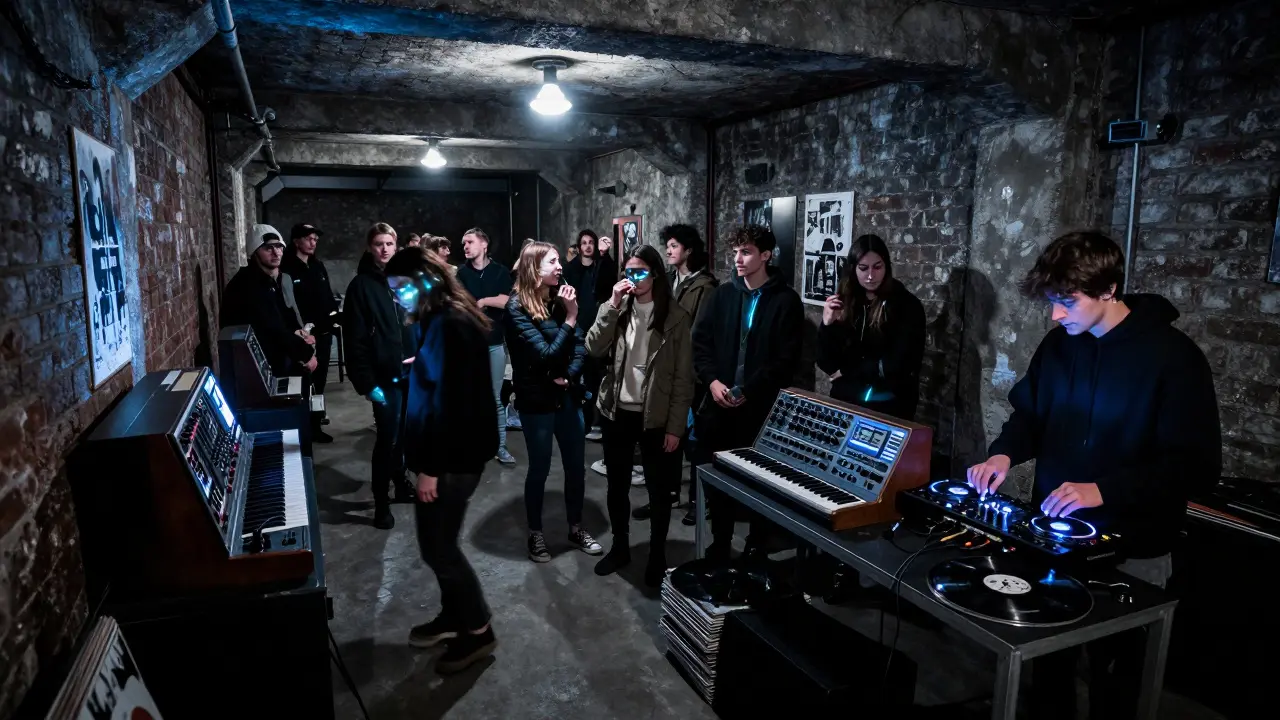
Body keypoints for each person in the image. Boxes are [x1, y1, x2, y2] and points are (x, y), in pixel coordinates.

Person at [966, 231, 1221, 720]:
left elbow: (1195, 465)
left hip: (1135, 547)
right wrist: (1003, 455)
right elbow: (1031, 416)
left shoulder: (1175, 358)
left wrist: (1103, 490)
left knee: (1118, 682)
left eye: (1067, 302)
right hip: (1056, 539)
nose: (1055, 315)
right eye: (1052, 302)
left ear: (1108, 289)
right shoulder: (1059, 345)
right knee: (1049, 664)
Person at [384, 247, 499, 674]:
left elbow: (453, 405)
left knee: (439, 548)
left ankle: (478, 631)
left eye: (402, 288)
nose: (398, 297)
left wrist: (430, 468)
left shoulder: (450, 323)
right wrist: (420, 365)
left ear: (424, 281)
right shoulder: (442, 319)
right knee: (437, 545)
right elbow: (449, 375)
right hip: (450, 455)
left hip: (452, 460)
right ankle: (456, 617)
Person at [692, 224, 804, 562]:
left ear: (766, 255)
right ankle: (720, 541)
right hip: (720, 404)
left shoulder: (786, 301)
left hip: (761, 409)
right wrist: (712, 381)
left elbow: (785, 359)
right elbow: (701, 344)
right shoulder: (723, 295)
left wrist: (750, 390)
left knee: (759, 481)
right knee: (720, 478)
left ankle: (757, 545)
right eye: (736, 252)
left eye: (746, 252)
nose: (738, 259)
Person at [585, 244, 694, 586]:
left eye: (640, 272)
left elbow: (683, 377)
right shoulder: (617, 309)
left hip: (656, 416)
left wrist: (675, 427)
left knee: (659, 491)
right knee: (616, 486)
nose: (634, 278)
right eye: (629, 272)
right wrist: (612, 305)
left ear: (655, 274)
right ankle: (620, 547)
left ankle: (657, 555)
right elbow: (593, 347)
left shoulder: (675, 317)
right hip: (618, 412)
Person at [504, 241, 603, 562]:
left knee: (576, 467)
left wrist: (569, 377)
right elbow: (545, 355)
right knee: (540, 469)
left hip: (567, 396)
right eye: (553, 261)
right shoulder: (516, 308)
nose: (560, 267)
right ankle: (536, 533)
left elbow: (581, 347)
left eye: (559, 260)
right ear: (534, 268)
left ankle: (576, 528)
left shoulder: (559, 299)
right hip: (537, 402)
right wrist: (571, 318)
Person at [344, 222, 417, 529]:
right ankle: (381, 502)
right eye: (378, 244)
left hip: (412, 372)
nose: (384, 249)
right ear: (369, 247)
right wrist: (366, 382)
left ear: (396, 246)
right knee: (387, 438)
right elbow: (355, 340)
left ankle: (401, 483)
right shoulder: (361, 287)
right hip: (384, 376)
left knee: (405, 436)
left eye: (389, 243)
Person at [817, 234, 925, 420]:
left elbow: (898, 364)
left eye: (877, 267)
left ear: (886, 267)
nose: (870, 276)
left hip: (888, 406)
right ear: (853, 268)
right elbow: (826, 363)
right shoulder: (845, 300)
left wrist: (848, 371)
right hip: (844, 402)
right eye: (863, 268)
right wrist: (827, 325)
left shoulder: (906, 305)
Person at [661, 223, 718, 526]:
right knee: (670, 435)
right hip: (668, 370)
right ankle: (669, 493)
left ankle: (698, 500)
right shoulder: (670, 280)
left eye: (674, 246)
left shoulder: (704, 287)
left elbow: (699, 332)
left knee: (696, 441)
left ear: (688, 250)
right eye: (667, 246)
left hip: (691, 374)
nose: (668, 250)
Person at [220, 224, 318, 378]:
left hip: (268, 364)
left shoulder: (267, 280)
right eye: (268, 248)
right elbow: (272, 327)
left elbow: (282, 315)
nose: (276, 253)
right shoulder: (248, 284)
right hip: (252, 371)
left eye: (279, 247)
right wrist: (305, 354)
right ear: (254, 252)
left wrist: (298, 332)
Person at [457, 228, 517, 465]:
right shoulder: (461, 274)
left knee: (495, 398)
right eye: (463, 243)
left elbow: (507, 300)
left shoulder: (500, 271)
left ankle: (499, 446)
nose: (465, 246)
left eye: (469, 242)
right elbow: (459, 305)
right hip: (468, 346)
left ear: (484, 244)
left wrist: (483, 301)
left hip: (494, 345)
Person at [281, 223, 340, 443]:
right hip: (302, 337)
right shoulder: (287, 268)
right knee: (303, 382)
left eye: (315, 239)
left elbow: (327, 297)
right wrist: (301, 333)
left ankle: (315, 424)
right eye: (309, 238)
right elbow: (288, 305)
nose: (313, 243)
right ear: (296, 241)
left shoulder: (317, 266)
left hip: (323, 334)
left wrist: (333, 320)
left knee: (319, 382)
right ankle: (302, 427)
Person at [562, 229, 604, 439]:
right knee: (575, 376)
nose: (587, 246)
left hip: (598, 329)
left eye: (591, 242)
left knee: (595, 377)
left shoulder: (600, 267)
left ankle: (595, 422)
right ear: (579, 247)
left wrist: (605, 257)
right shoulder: (571, 269)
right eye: (584, 243)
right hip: (577, 328)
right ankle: (577, 422)